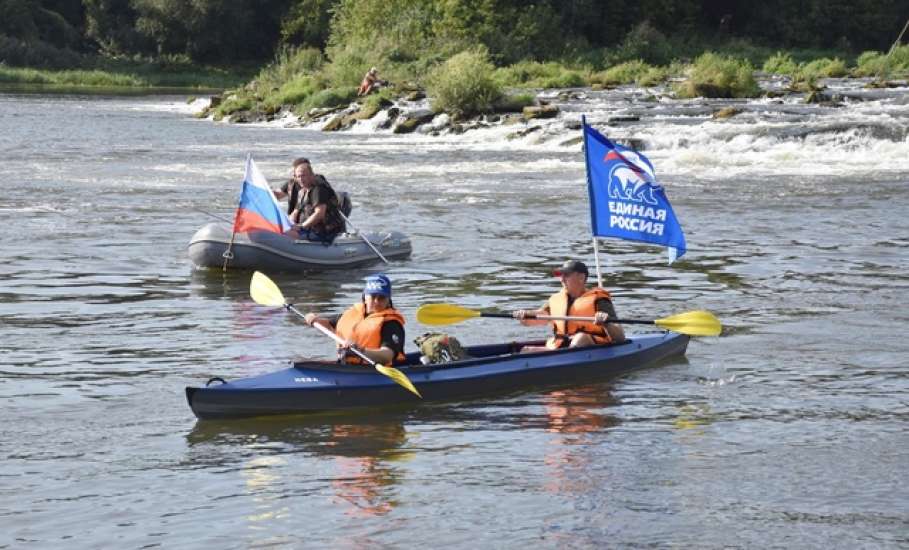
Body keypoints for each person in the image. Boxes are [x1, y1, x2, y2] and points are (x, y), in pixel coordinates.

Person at [513, 259, 625, 352]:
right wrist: (525, 316)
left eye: (566, 275)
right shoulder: (556, 299)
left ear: (581, 278)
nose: (561, 279)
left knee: (580, 338)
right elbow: (540, 317)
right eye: (560, 275)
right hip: (561, 346)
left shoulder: (599, 300)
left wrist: (606, 324)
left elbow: (620, 337)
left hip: (591, 346)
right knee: (526, 350)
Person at [304, 274, 406, 366]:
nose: (376, 301)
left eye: (381, 298)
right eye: (373, 296)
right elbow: (328, 324)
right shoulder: (352, 313)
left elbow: (387, 355)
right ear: (365, 297)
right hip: (346, 366)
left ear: (388, 300)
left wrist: (361, 351)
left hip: (373, 371)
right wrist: (314, 319)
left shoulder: (391, 323)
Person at [275, 157, 345, 243]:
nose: (301, 179)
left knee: (286, 235)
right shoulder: (302, 191)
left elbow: (319, 213)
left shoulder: (318, 189)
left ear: (311, 175)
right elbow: (295, 212)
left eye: (303, 175)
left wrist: (302, 226)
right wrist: (289, 225)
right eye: (298, 176)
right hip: (308, 229)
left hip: (323, 231)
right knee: (280, 231)